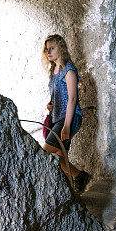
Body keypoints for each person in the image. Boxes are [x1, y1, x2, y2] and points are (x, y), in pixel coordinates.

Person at [41, 34, 91, 193]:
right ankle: (73, 186)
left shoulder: (68, 70)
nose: (48, 52)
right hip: (58, 119)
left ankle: (80, 176)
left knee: (46, 151)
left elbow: (73, 99)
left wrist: (67, 125)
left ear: (60, 49)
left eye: (52, 48)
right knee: (59, 156)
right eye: (47, 49)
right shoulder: (53, 72)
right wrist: (51, 106)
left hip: (70, 119)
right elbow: (59, 97)